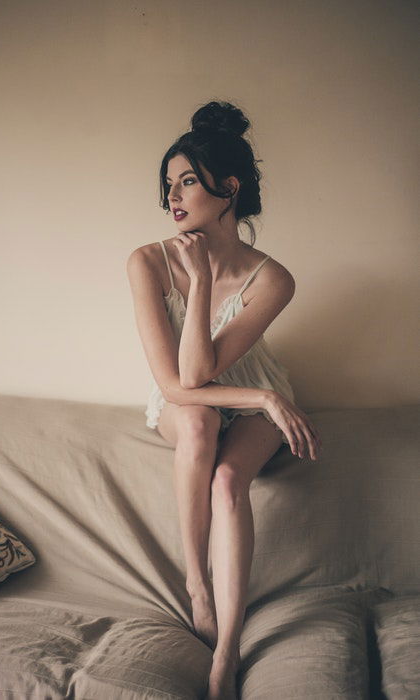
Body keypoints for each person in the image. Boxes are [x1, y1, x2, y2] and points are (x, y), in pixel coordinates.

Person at [126, 100, 323, 700]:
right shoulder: (147, 262)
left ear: (228, 187)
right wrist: (263, 397)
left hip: (243, 385)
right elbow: (180, 382)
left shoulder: (274, 278)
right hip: (199, 398)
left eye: (187, 181)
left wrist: (209, 277)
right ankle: (197, 586)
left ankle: (227, 655)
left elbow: (209, 363)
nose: (174, 198)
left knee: (228, 479)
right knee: (198, 421)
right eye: (169, 185)